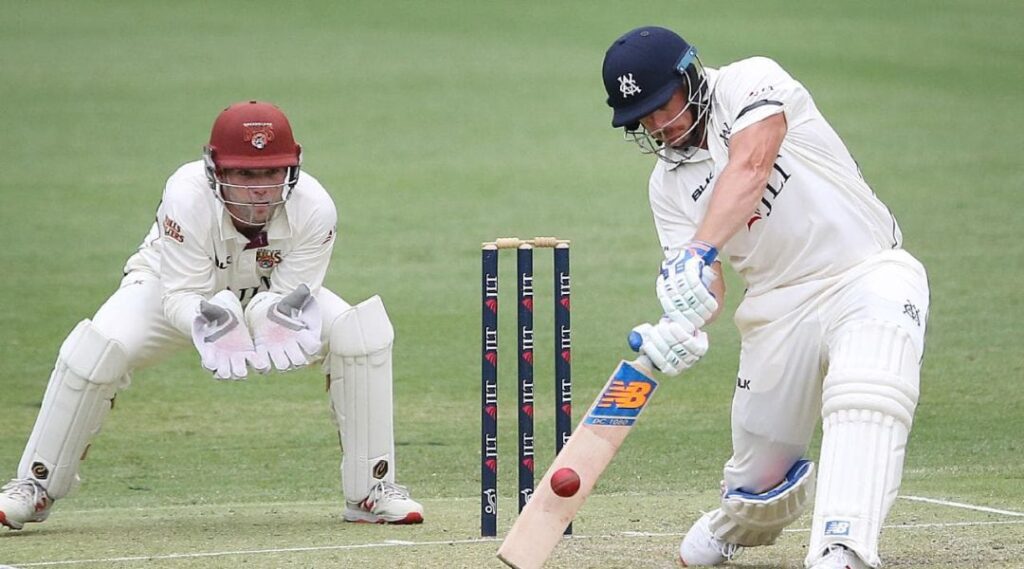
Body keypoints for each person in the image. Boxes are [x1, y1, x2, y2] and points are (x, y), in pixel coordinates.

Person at [0, 101, 424, 529]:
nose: (260, 189)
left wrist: (270, 318)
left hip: (265, 290)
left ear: (291, 169)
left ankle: (371, 490)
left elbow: (292, 295)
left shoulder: (315, 207)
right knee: (97, 348)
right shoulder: (185, 195)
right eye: (244, 174)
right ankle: (34, 486)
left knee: (361, 333)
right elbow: (179, 294)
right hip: (170, 287)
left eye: (271, 172)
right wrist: (210, 319)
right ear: (215, 171)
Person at [604, 27, 929, 569]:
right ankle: (737, 523)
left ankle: (841, 548)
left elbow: (752, 164)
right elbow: (705, 283)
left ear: (690, 78)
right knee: (762, 477)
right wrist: (682, 318)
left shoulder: (751, 82)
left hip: (865, 270)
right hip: (777, 310)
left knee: (866, 390)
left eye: (663, 105)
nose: (658, 124)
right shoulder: (666, 186)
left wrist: (699, 249)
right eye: (642, 117)